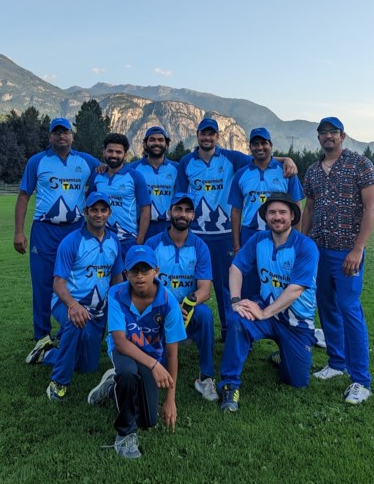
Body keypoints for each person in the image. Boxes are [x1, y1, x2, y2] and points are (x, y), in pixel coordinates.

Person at [175, 117, 297, 341]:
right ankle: (185, 330)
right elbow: (180, 195)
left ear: (217, 137)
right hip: (195, 235)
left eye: (211, 134)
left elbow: (259, 158)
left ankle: (228, 330)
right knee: (189, 283)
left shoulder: (231, 157)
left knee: (226, 286)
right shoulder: (186, 162)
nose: (207, 137)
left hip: (223, 236)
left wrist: (286, 158)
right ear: (197, 135)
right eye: (203, 133)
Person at [299, 116, 374, 405]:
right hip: (318, 250)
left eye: (333, 132)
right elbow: (309, 209)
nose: (328, 137)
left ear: (343, 136)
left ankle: (361, 380)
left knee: (349, 309)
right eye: (323, 133)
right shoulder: (312, 171)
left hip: (347, 251)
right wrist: (302, 243)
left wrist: (358, 249)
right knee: (327, 307)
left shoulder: (360, 164)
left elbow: (371, 208)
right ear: (318, 138)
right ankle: (336, 362)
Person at [216, 193, 319, 412]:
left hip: (296, 323)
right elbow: (235, 268)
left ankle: (282, 356)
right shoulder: (258, 239)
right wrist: (235, 301)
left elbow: (296, 289)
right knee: (238, 321)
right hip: (265, 311)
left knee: (297, 381)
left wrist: (265, 313)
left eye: (283, 212)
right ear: (266, 217)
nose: (277, 217)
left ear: (292, 216)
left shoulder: (305, 246)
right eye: (272, 212)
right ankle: (229, 385)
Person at [87, 245, 186, 459]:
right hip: (124, 351)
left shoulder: (168, 302)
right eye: (134, 271)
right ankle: (124, 434)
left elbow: (171, 353)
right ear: (126, 273)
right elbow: (120, 342)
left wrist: (170, 399)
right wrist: (153, 365)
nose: (140, 276)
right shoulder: (116, 292)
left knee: (149, 421)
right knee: (128, 373)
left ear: (156, 271)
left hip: (151, 356)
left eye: (145, 270)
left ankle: (113, 386)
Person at [14, 117, 102, 357]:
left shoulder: (86, 161)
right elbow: (24, 195)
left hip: (75, 230)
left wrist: (105, 167)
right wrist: (19, 231)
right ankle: (42, 336)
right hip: (45, 230)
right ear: (50, 136)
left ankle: (69, 330)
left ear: (72, 136)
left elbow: (107, 170)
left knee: (74, 283)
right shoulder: (37, 161)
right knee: (42, 283)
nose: (61, 137)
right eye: (57, 133)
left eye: (66, 133)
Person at [32, 192, 125, 402]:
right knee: (76, 322)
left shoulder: (114, 242)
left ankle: (47, 353)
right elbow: (58, 283)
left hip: (97, 311)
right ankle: (58, 383)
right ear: (86, 212)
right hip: (66, 304)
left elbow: (117, 277)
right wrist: (73, 305)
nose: (98, 214)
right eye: (94, 210)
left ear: (109, 213)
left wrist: (120, 307)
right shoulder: (72, 241)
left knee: (87, 366)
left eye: (103, 210)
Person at [144, 192, 217, 401]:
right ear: (170, 212)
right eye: (178, 209)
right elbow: (143, 285)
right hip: (157, 309)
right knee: (159, 372)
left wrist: (183, 305)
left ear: (193, 215)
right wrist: (168, 307)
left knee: (204, 315)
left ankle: (206, 377)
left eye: (187, 210)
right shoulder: (152, 244)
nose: (182, 214)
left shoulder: (200, 246)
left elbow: (204, 289)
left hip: (187, 311)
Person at [228, 126, 304, 301]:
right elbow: (236, 211)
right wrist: (237, 246)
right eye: (255, 144)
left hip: (281, 234)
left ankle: (277, 323)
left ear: (271, 145)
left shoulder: (286, 171)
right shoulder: (241, 174)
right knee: (249, 284)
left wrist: (296, 239)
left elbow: (297, 206)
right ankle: (252, 324)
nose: (260, 147)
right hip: (250, 232)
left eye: (264, 143)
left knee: (278, 280)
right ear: (250, 147)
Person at [87, 132, 152, 258]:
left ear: (125, 155)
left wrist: (139, 240)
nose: (113, 155)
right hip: (100, 240)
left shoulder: (135, 176)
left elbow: (145, 210)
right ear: (104, 152)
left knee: (126, 277)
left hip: (127, 240)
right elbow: (90, 207)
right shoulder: (97, 175)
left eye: (118, 152)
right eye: (110, 151)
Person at [126, 126, 181, 240]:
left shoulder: (177, 168)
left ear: (166, 144)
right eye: (152, 140)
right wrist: (103, 168)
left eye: (161, 140)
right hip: (142, 228)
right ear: (145, 144)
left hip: (170, 227)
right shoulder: (133, 168)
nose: (156, 143)